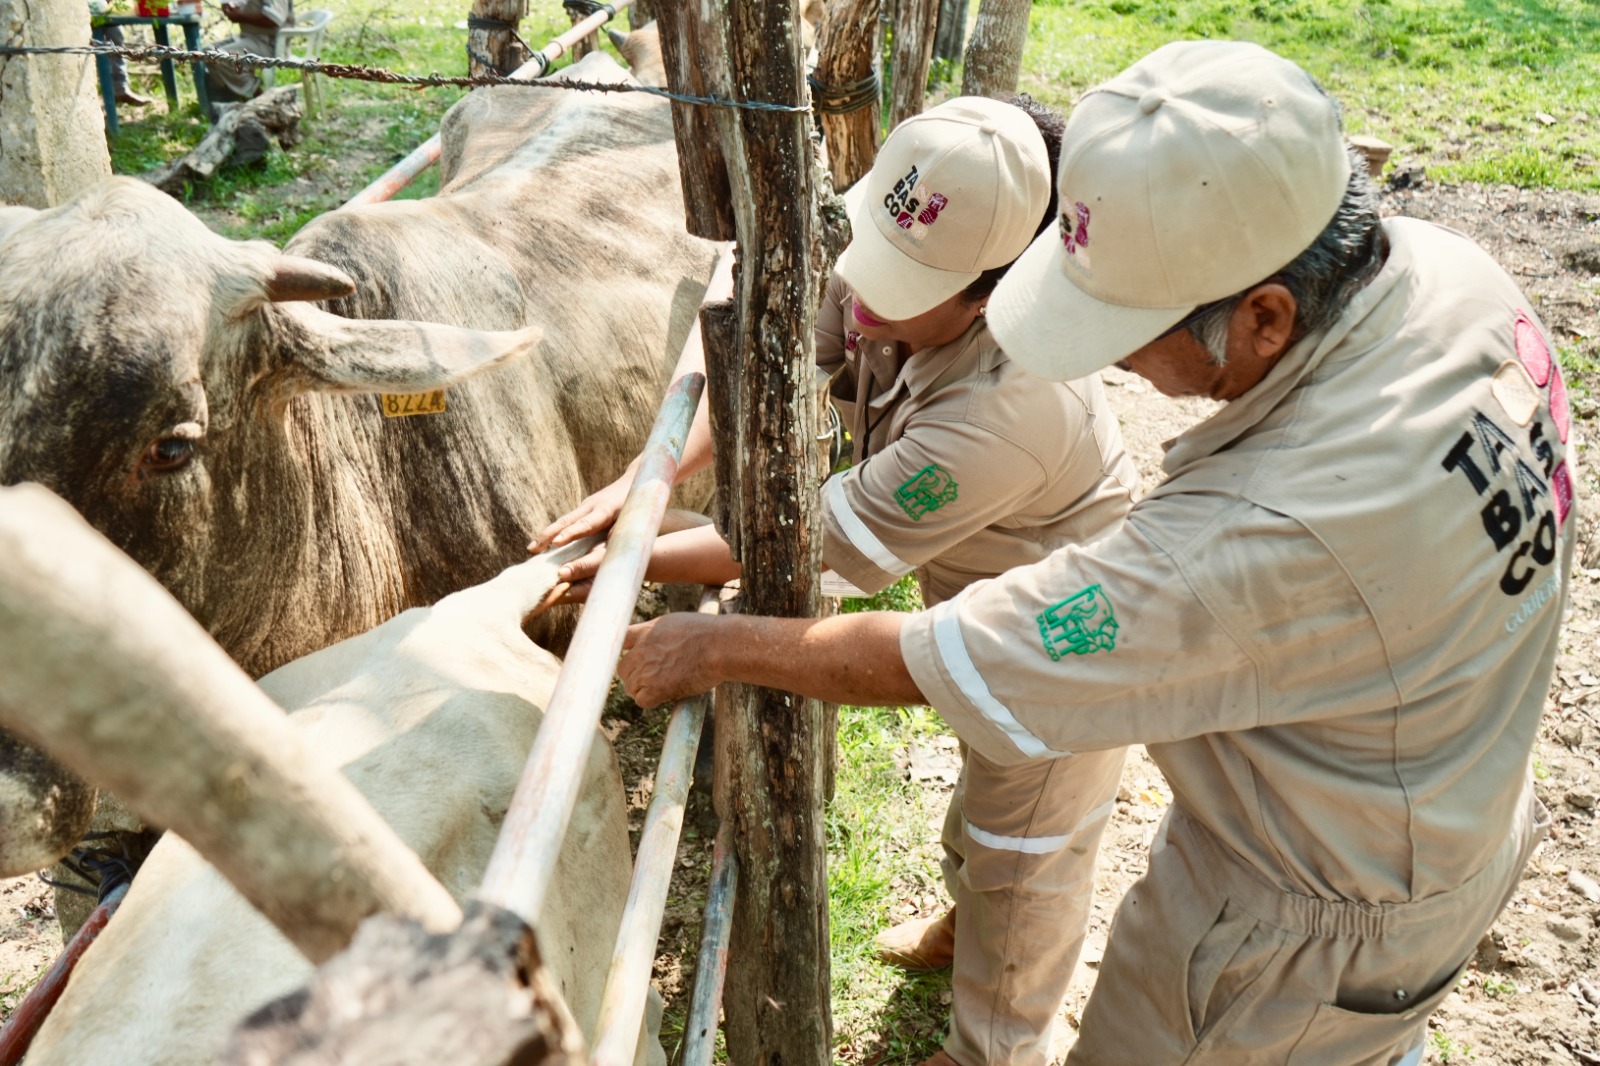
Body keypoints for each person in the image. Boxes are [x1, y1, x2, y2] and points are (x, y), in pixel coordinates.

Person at [614, 40, 1577, 1066]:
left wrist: (713, 646)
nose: (1107, 354)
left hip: (1305, 923)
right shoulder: (1448, 277)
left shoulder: (1253, 538)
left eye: (1126, 322)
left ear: (1264, 316)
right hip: (1432, 797)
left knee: (1030, 854)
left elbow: (952, 658)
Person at [536, 96, 1139, 1066]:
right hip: (969, 581)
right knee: (985, 797)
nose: (859, 289)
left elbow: (804, 542)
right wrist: (650, 475)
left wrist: (635, 549)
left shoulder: (1010, 409)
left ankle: (992, 1047)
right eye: (867, 251)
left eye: (902, 282)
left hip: (1061, 637)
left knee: (1027, 841)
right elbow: (769, 366)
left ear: (992, 296)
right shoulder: (877, 280)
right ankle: (968, 923)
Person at [206, 0, 293, 105]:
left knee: (221, 57)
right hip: (249, 37)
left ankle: (261, 99)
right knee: (207, 52)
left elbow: (273, 19)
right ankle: (229, 101)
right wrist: (229, 6)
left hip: (270, 43)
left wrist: (240, 16)